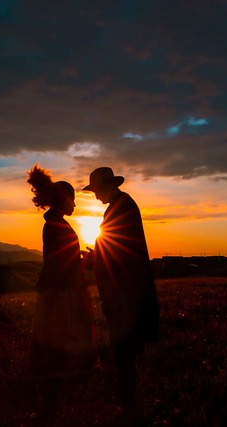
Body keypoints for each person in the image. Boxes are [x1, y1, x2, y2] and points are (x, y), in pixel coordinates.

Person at [83, 166, 160, 417]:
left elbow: (115, 248)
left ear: (106, 186)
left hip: (125, 291)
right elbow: (112, 245)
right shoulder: (122, 205)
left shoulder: (120, 208)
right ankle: (128, 397)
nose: (95, 196)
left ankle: (128, 400)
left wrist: (92, 258)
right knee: (125, 344)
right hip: (126, 288)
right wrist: (95, 255)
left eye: (95, 190)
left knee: (123, 344)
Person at [26, 165, 99, 424]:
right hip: (61, 293)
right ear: (63, 200)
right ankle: (52, 402)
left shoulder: (56, 223)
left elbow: (61, 258)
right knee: (59, 341)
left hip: (58, 291)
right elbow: (60, 262)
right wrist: (87, 259)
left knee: (56, 341)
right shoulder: (57, 225)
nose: (76, 206)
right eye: (73, 200)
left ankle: (53, 401)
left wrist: (80, 257)